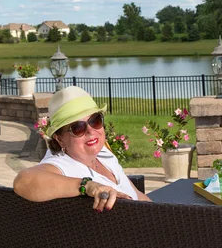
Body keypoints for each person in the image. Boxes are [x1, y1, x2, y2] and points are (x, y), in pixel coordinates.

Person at [14, 86, 150, 210]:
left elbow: (137, 195)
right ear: (59, 138)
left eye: (95, 120)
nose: (91, 131)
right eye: (78, 128)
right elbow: (23, 181)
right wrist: (87, 185)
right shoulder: (63, 165)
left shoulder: (102, 153)